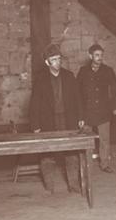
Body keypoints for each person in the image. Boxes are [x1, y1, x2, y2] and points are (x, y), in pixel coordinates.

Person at [29, 44, 84, 194]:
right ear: (47, 62)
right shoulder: (40, 79)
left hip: (68, 120)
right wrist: (35, 125)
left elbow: (77, 98)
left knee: (71, 154)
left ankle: (73, 185)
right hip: (48, 121)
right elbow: (34, 103)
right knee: (47, 154)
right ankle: (49, 186)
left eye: (59, 59)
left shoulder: (69, 76)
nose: (57, 62)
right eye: (53, 59)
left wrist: (80, 117)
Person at [77, 43, 116, 173]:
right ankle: (86, 165)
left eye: (101, 55)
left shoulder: (108, 70)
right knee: (86, 140)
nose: (99, 58)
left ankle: (104, 164)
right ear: (90, 56)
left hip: (103, 111)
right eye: (96, 55)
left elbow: (115, 89)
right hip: (87, 112)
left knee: (104, 139)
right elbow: (77, 93)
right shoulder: (83, 71)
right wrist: (80, 114)